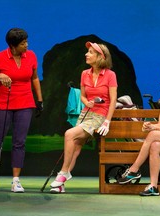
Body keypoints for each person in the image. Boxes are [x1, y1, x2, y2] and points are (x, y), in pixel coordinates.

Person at [0, 28, 43, 193]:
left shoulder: (31, 56)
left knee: (19, 142)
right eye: (23, 43)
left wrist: (39, 100)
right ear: (12, 46)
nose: (26, 45)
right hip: (3, 103)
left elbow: (34, 78)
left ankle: (16, 181)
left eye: (26, 42)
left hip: (25, 103)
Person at [50, 42, 118, 193]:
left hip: (100, 116)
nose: (86, 54)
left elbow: (113, 100)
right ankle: (60, 186)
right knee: (76, 147)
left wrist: (107, 122)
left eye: (91, 52)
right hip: (86, 113)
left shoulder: (110, 75)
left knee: (69, 134)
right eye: (87, 51)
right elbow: (82, 96)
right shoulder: (84, 74)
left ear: (100, 56)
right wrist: (87, 102)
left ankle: (63, 173)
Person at [118, 71, 160, 196]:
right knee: (154, 145)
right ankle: (153, 187)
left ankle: (134, 170)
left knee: (154, 135)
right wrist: (151, 126)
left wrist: (154, 130)